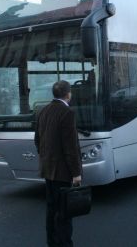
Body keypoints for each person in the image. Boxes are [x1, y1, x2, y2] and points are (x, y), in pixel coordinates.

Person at [34, 80, 82, 247]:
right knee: (64, 212)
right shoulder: (67, 113)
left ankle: (52, 242)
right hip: (62, 171)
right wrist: (76, 173)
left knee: (51, 209)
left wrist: (46, 158)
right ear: (68, 94)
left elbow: (37, 141)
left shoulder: (42, 110)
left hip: (47, 169)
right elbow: (71, 147)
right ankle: (64, 244)